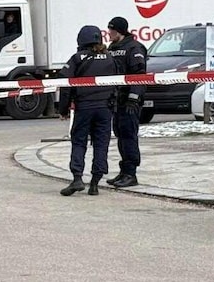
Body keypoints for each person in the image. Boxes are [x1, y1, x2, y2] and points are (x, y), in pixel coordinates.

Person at [58, 25, 119, 197]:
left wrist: (63, 109)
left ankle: (77, 178)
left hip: (84, 107)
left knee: (79, 142)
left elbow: (65, 85)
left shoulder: (78, 58)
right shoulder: (109, 57)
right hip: (105, 108)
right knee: (101, 144)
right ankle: (95, 183)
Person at [107, 17, 148, 188]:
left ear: (120, 31)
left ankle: (131, 173)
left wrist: (134, 97)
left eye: (112, 30)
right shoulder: (112, 48)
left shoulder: (134, 48)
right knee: (120, 135)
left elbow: (139, 75)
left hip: (129, 101)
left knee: (129, 136)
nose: (109, 33)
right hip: (116, 100)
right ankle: (124, 171)